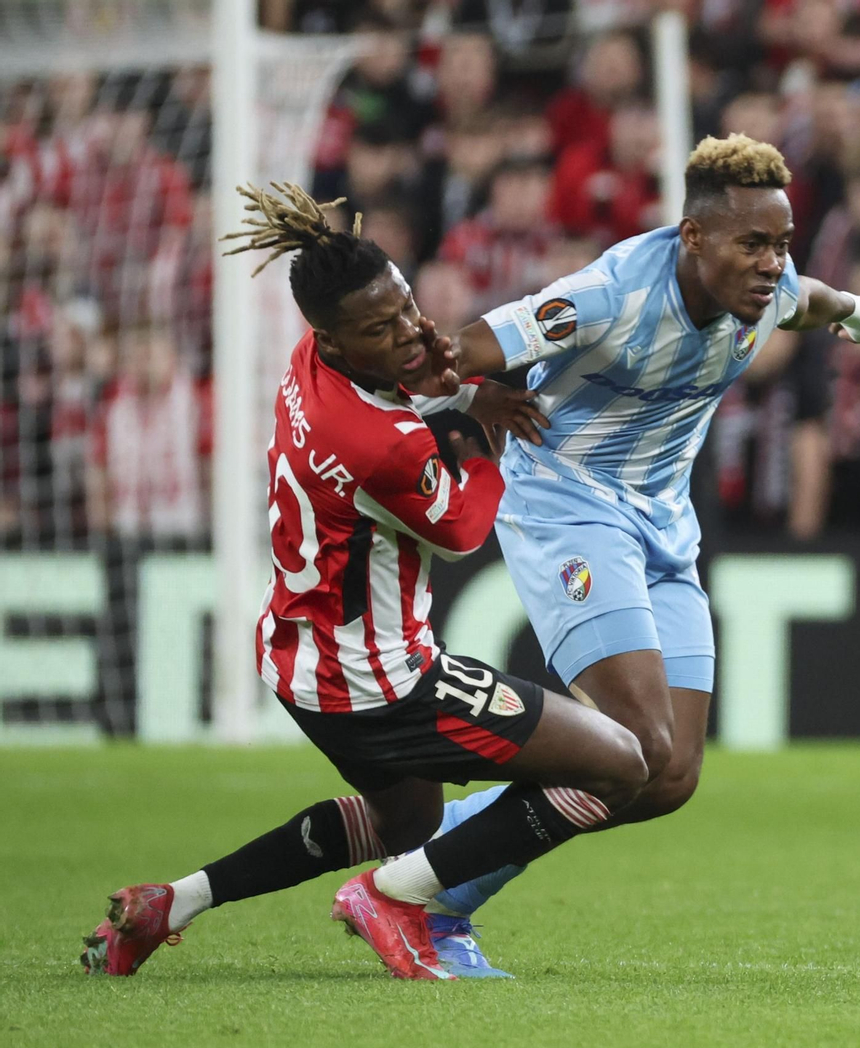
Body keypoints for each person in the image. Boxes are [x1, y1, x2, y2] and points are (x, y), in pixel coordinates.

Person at [80, 183, 650, 981]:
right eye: (381, 330)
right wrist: (480, 428)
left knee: (407, 817)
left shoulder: (310, 360)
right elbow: (460, 529)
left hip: (300, 661)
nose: (409, 333)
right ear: (336, 341)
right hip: (382, 680)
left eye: (406, 307)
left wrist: (451, 384)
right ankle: (391, 898)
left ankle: (169, 904)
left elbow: (403, 379)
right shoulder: (377, 445)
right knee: (621, 764)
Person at [411, 134, 860, 972]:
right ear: (693, 237)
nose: (772, 263)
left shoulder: (765, 291)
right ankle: (426, 896)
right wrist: (479, 391)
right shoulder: (607, 297)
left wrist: (851, 308)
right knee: (631, 739)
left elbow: (805, 299)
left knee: (666, 776)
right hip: (568, 506)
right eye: (753, 243)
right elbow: (440, 354)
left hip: (664, 527)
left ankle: (440, 848)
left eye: (780, 242)